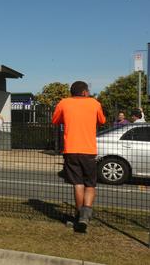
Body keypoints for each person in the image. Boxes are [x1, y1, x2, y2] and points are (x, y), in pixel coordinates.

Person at [52, 81, 106, 232]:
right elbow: (102, 121)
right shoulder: (94, 103)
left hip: (71, 149)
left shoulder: (64, 102)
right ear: (84, 92)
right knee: (90, 184)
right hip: (88, 150)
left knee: (78, 184)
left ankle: (78, 215)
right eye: (88, 91)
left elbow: (55, 120)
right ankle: (85, 215)